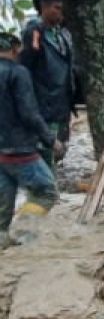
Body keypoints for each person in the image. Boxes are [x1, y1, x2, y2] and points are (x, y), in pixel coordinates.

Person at [0, 32, 60, 249]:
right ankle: (21, 231)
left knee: (3, 207)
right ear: (15, 49)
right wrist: (51, 140)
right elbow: (29, 113)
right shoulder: (18, 73)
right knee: (47, 192)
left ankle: (3, 242)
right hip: (20, 148)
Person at [19, 0, 76, 173]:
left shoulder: (62, 34)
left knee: (60, 150)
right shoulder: (35, 33)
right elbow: (25, 67)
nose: (61, 12)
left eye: (62, 8)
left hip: (61, 106)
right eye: (57, 8)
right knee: (45, 151)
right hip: (43, 105)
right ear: (44, 7)